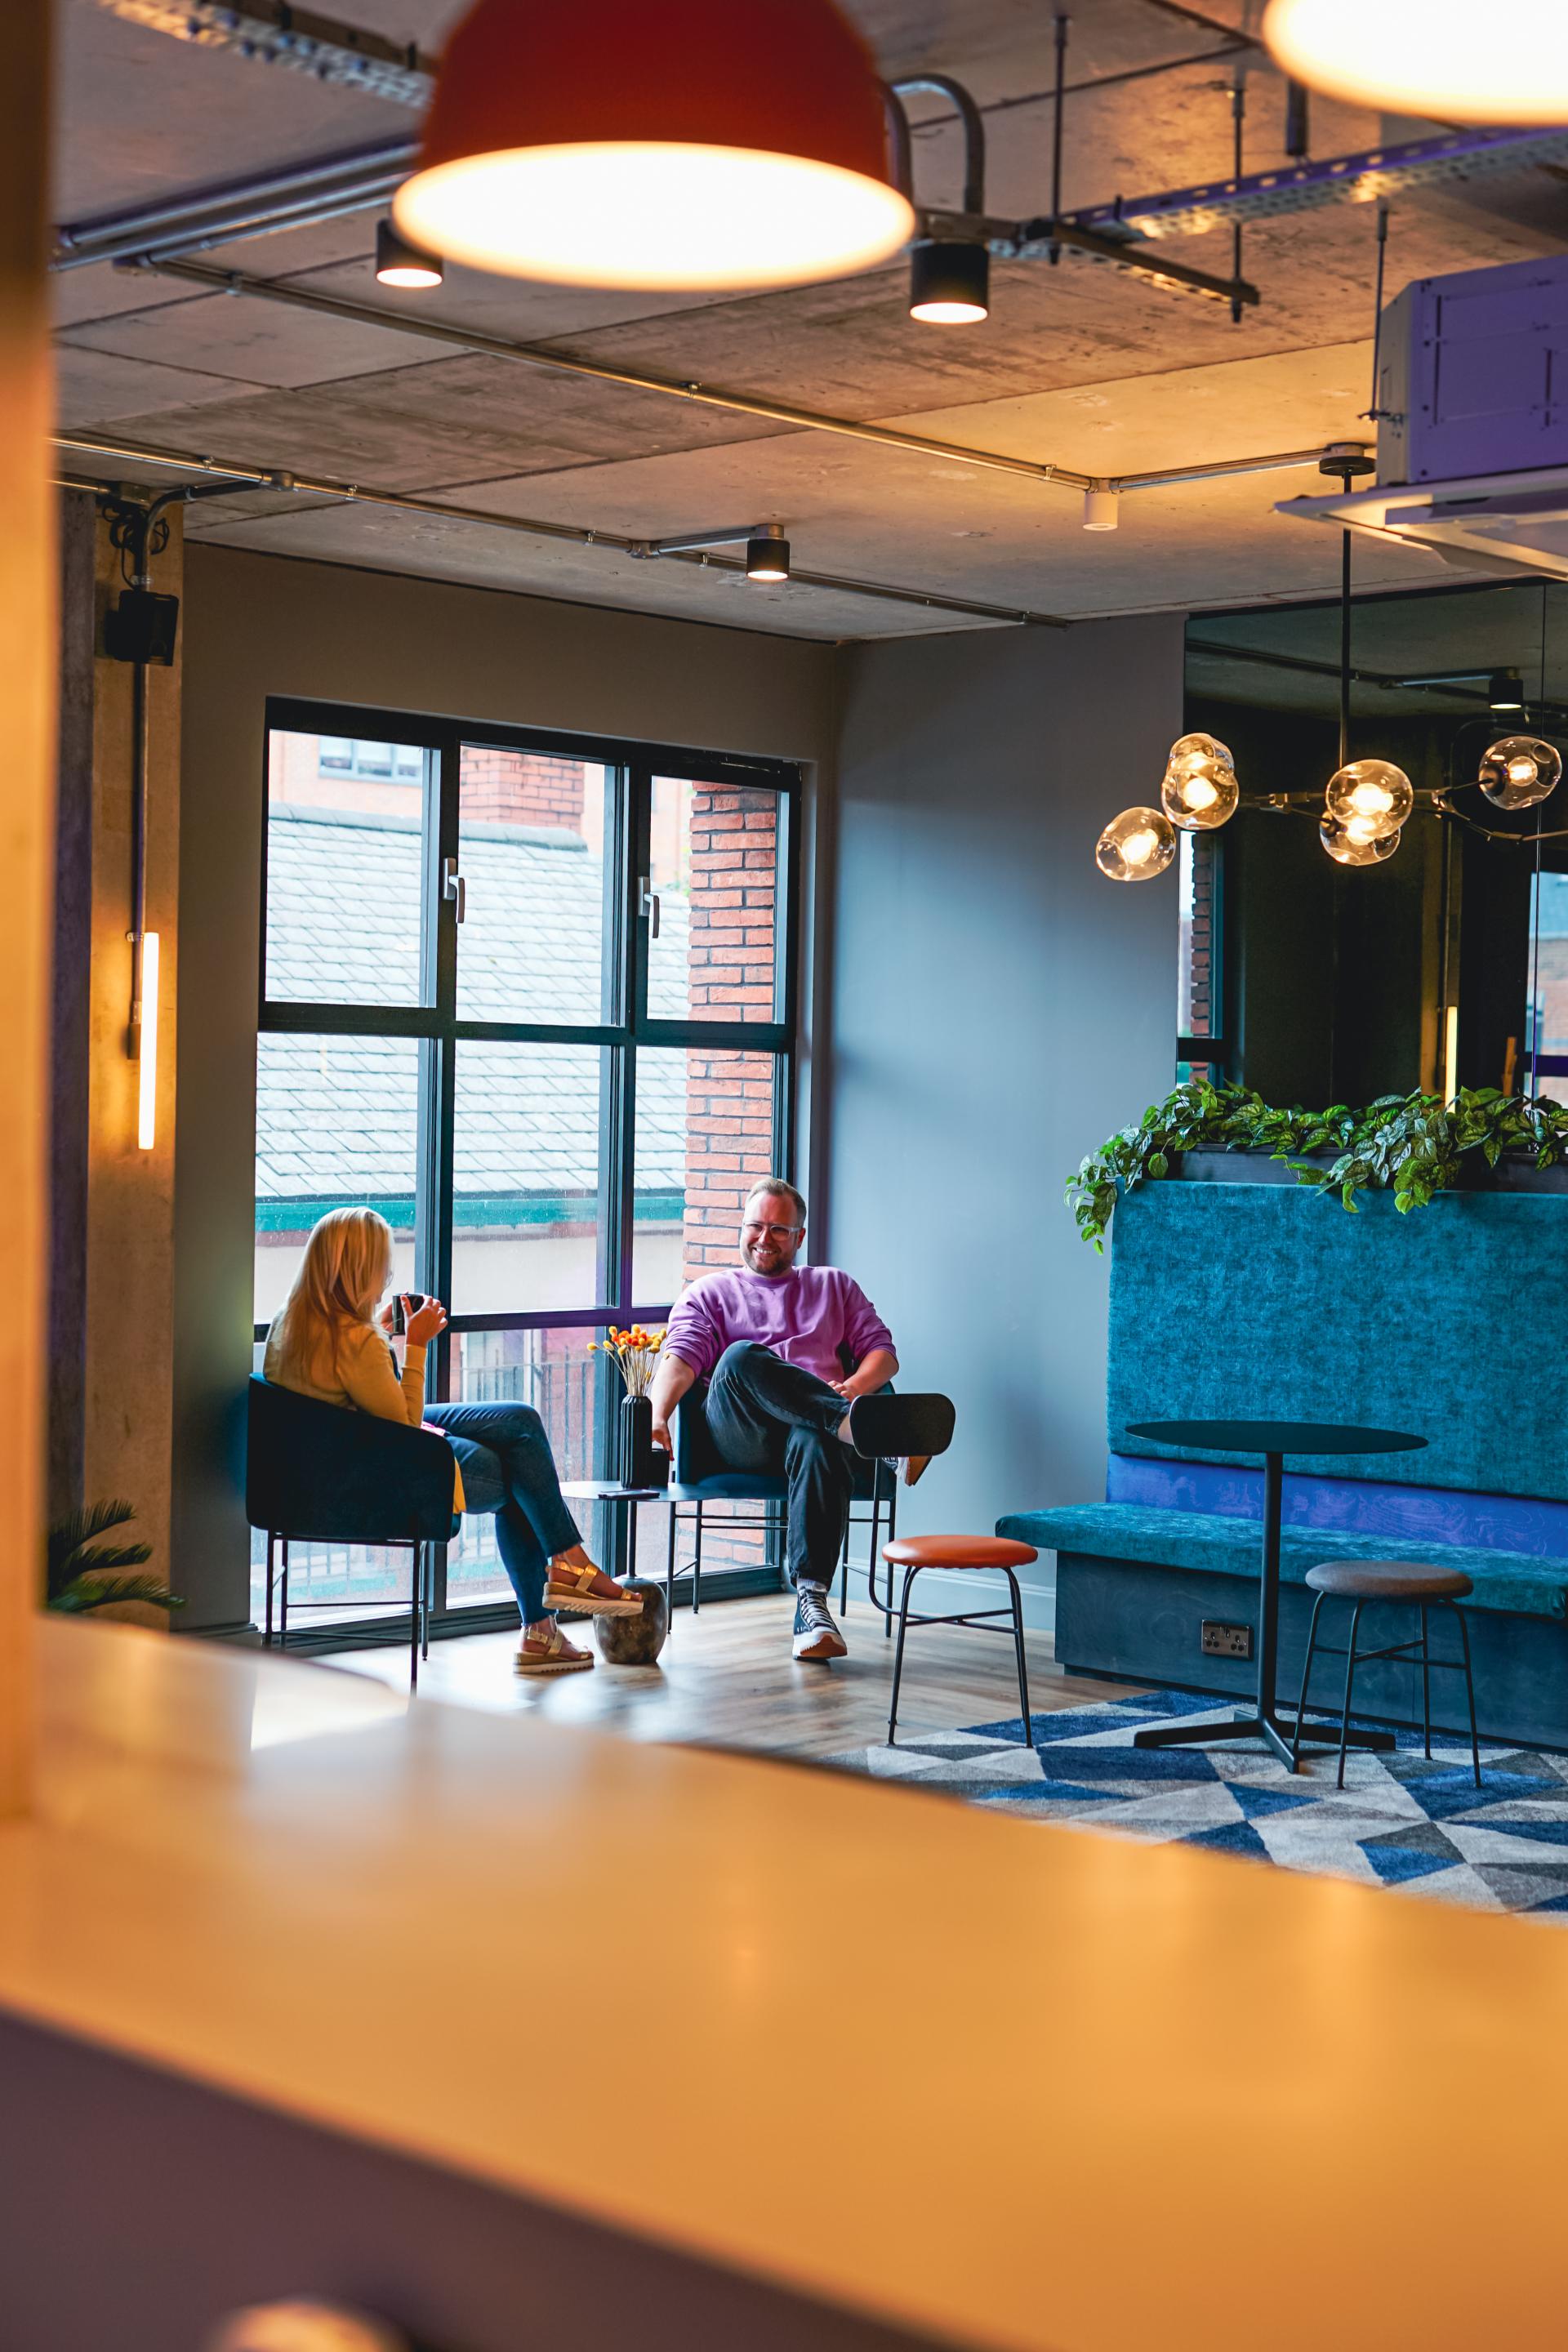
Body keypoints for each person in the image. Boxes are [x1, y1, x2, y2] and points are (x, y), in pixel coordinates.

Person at [264, 1207, 641, 1676]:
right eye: (382, 1264)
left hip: (342, 1457)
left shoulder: (293, 1324)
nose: (388, 1276)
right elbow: (404, 1427)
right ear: (359, 1269)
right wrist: (415, 1344)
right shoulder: (353, 1340)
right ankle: (557, 1598)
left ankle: (564, 1583)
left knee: (520, 1422)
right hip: (387, 1471)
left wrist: (380, 1331)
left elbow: (350, 1397)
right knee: (517, 1473)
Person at [647, 1178, 924, 1664]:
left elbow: (883, 1354)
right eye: (755, 1226)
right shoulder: (711, 1292)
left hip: (815, 1436)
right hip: (742, 1435)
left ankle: (812, 1607)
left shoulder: (834, 1286)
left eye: (779, 1229)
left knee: (817, 1439)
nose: (764, 1238)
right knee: (738, 1359)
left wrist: (856, 1388)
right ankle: (877, 1436)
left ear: (799, 1237)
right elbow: (681, 1357)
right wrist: (657, 1413)